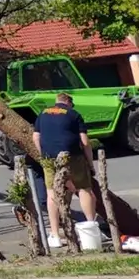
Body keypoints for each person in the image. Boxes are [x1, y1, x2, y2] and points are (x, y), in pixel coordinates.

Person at [33, 92, 98, 249]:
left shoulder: (42, 114)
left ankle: (55, 235)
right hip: (73, 157)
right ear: (68, 102)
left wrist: (43, 156)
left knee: (52, 194)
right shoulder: (74, 114)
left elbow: (35, 137)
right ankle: (91, 227)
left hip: (50, 158)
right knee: (84, 190)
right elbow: (84, 141)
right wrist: (90, 163)